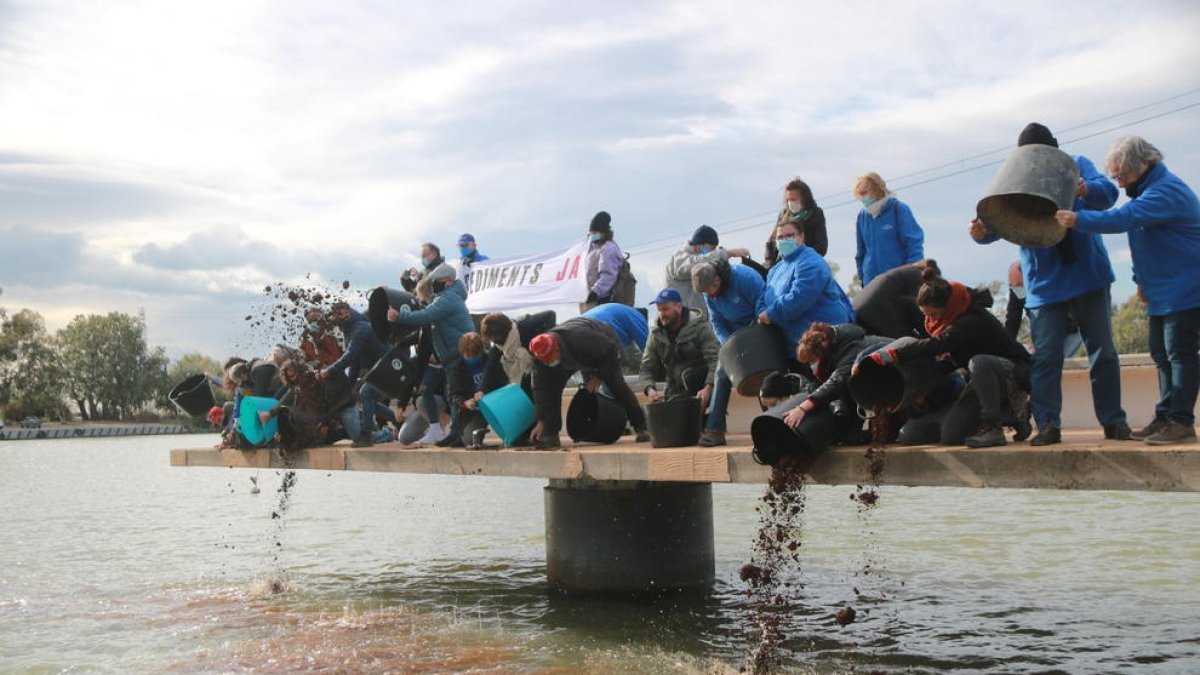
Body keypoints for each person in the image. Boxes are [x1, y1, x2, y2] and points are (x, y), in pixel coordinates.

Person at [970, 122, 1130, 445]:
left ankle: (1114, 422)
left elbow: (1109, 194)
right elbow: (998, 222)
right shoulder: (1018, 175)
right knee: (1045, 358)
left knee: (1102, 352)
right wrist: (980, 233)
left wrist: (1085, 190)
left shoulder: (1076, 164)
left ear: (1055, 148)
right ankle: (1047, 426)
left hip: (1087, 275)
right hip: (1044, 284)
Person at [1055, 135, 1200, 445]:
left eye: (1122, 176)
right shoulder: (1147, 191)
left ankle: (1181, 421)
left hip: (1186, 286)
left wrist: (1078, 219)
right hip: (1163, 290)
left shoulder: (1166, 191)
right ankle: (1165, 416)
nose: (1119, 184)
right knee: (1161, 354)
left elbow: (1124, 219)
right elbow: (1144, 242)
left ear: (1143, 164)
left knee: (1180, 354)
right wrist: (1140, 281)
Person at [859, 268, 1032, 447]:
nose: (930, 321)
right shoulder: (950, 323)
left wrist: (893, 353)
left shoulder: (972, 320)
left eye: (933, 315)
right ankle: (1014, 416)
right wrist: (916, 392)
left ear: (947, 306)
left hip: (1013, 373)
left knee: (979, 362)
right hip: (982, 382)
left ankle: (995, 426)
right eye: (926, 316)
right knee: (952, 435)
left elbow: (938, 344)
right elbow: (950, 362)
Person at [527, 317, 650, 449]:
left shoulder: (580, 338)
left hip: (603, 346)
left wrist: (599, 376)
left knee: (616, 384)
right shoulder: (540, 359)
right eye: (544, 360)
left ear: (556, 349)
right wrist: (542, 420)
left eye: (548, 359)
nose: (546, 363)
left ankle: (641, 426)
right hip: (572, 355)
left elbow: (610, 349)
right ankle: (550, 434)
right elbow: (542, 392)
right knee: (552, 390)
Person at [388, 266, 475, 447]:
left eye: (436, 282)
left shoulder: (447, 298)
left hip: (456, 352)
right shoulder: (446, 297)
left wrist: (399, 316)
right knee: (453, 395)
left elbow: (427, 315)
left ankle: (457, 434)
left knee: (456, 394)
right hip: (452, 353)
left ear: (448, 282)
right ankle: (454, 433)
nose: (434, 285)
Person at [691, 258, 765, 446]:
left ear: (717, 279)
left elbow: (762, 306)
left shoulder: (746, 278)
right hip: (733, 337)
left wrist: (751, 338)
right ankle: (715, 430)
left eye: (710, 290)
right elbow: (716, 322)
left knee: (763, 373)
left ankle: (772, 422)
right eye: (705, 293)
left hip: (759, 330)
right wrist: (729, 344)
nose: (709, 295)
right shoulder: (708, 292)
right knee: (721, 372)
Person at [756, 218, 855, 352]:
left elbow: (800, 297)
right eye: (780, 237)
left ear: (802, 237)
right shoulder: (775, 270)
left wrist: (770, 314)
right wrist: (762, 313)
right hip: (796, 347)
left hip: (825, 342)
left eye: (790, 235)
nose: (784, 240)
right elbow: (764, 296)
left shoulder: (811, 261)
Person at [781, 323, 887, 445]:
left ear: (821, 354)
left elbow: (836, 382)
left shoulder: (850, 350)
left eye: (811, 361)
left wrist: (802, 408)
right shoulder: (834, 347)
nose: (811, 365)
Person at [638, 288, 720, 416]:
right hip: (673, 387)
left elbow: (715, 360)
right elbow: (646, 367)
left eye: (666, 309)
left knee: (708, 419)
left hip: (701, 385)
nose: (662, 314)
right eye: (659, 310)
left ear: (679, 306)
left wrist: (708, 388)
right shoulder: (656, 333)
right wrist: (650, 389)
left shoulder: (700, 326)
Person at [319, 301, 390, 447]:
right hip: (376, 369)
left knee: (365, 395)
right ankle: (398, 419)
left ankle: (366, 436)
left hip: (387, 366)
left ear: (348, 311)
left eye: (341, 313)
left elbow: (351, 355)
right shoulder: (348, 331)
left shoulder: (360, 328)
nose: (340, 317)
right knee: (365, 398)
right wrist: (349, 387)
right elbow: (355, 363)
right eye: (336, 316)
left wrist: (329, 371)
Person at [853, 172, 925, 286]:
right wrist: (862, 277)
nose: (863, 198)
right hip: (871, 282)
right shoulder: (862, 216)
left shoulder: (899, 209)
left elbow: (914, 243)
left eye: (864, 193)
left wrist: (912, 273)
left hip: (898, 279)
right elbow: (860, 252)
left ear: (876, 189)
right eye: (860, 195)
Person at [664, 225, 750, 317]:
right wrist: (727, 253)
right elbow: (696, 263)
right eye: (712, 249)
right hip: (681, 320)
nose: (712, 253)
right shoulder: (679, 259)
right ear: (700, 245)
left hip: (696, 319)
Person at [1005, 261, 1083, 357]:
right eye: (1013, 285)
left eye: (1019, 285)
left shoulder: (1048, 282)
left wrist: (1042, 343)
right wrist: (1007, 347)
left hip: (1069, 332)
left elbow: (1059, 318)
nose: (1017, 289)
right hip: (1042, 335)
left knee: (1051, 360)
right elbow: (1013, 319)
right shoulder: (1016, 289)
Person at [852, 259, 940, 339]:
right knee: (909, 345)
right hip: (879, 315)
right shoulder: (919, 277)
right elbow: (923, 317)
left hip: (857, 316)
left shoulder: (901, 273)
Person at [581, 211, 629, 311]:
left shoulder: (608, 249)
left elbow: (608, 276)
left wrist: (595, 292)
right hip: (588, 297)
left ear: (603, 233)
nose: (592, 235)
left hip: (602, 299)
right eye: (591, 233)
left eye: (595, 233)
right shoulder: (591, 248)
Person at [451, 332, 491, 448]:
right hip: (475, 412)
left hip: (495, 405)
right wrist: (465, 402)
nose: (472, 359)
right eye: (468, 356)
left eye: (475, 356)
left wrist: (485, 392)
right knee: (469, 440)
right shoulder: (457, 367)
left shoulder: (490, 360)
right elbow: (453, 395)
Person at [774, 177, 828, 258]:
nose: (790, 203)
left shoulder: (816, 214)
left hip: (807, 260)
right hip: (783, 261)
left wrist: (804, 259)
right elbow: (771, 243)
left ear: (804, 198)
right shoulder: (783, 215)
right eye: (788, 200)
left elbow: (821, 246)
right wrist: (771, 263)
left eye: (793, 199)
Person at [581, 302, 649, 351]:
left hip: (577, 325)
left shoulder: (621, 312)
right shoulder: (637, 316)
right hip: (595, 330)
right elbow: (646, 347)